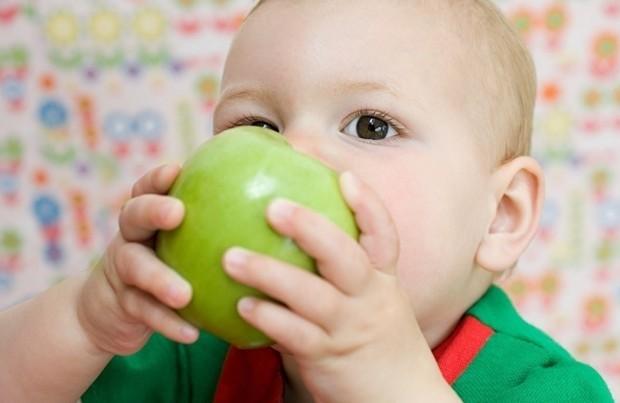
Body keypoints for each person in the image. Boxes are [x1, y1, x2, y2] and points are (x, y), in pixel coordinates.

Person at [0, 0, 613, 402]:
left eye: (371, 126)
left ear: (501, 214)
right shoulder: (192, 353)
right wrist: (84, 321)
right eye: (259, 127)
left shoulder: (541, 386)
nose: (293, 153)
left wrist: (383, 376)